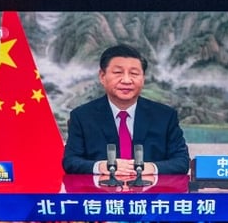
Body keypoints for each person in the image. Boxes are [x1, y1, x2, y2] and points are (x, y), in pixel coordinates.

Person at [62, 44, 190, 178]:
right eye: (118, 73)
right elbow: (71, 162)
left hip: (150, 195)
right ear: (102, 76)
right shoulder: (82, 116)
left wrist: (150, 167)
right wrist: (101, 167)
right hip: (102, 195)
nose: (127, 80)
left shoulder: (165, 116)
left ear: (143, 78)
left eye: (134, 73)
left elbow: (181, 161)